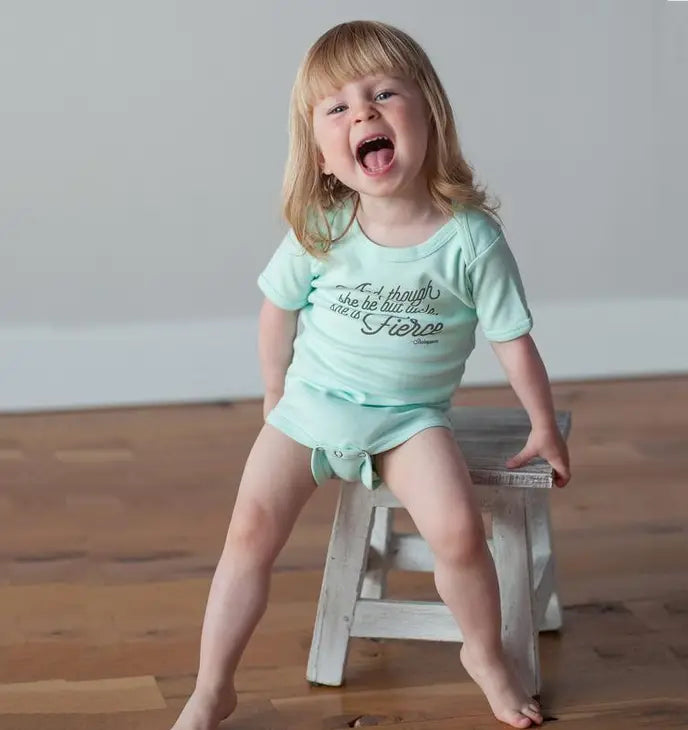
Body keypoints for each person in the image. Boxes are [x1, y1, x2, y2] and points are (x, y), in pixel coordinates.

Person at [171, 19, 570, 730]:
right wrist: (275, 391)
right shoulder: (323, 226)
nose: (362, 113)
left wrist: (543, 423)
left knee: (458, 532)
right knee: (249, 532)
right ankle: (212, 686)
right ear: (323, 157)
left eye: (383, 93)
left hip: (408, 421)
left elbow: (512, 338)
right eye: (338, 107)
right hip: (311, 407)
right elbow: (276, 310)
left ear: (429, 114)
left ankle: (483, 653)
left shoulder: (470, 239)